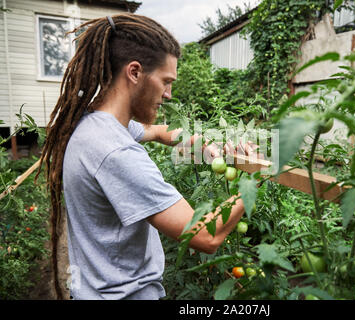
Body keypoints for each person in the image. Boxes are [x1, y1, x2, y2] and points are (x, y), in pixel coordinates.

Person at [37, 13, 260, 300]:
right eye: (166, 81)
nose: (168, 94)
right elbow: (205, 235)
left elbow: (156, 131)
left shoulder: (94, 124)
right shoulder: (117, 152)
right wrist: (256, 177)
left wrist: (198, 142)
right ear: (134, 72)